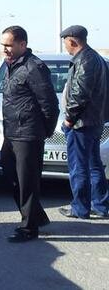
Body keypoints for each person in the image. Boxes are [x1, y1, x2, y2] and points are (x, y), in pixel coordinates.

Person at [0, 26, 59, 243]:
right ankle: (36, 215)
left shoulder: (34, 67)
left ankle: (28, 228)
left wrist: (44, 131)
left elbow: (50, 104)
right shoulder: (12, 65)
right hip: (12, 133)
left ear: (22, 44)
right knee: (9, 173)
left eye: (9, 45)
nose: (5, 49)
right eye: (3, 45)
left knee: (27, 182)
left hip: (29, 134)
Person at [58, 25, 109, 219]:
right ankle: (100, 205)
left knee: (78, 167)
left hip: (82, 123)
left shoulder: (85, 60)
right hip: (94, 121)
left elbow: (80, 93)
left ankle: (80, 208)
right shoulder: (97, 58)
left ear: (72, 41)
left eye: (66, 43)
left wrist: (70, 119)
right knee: (93, 164)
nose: (66, 47)